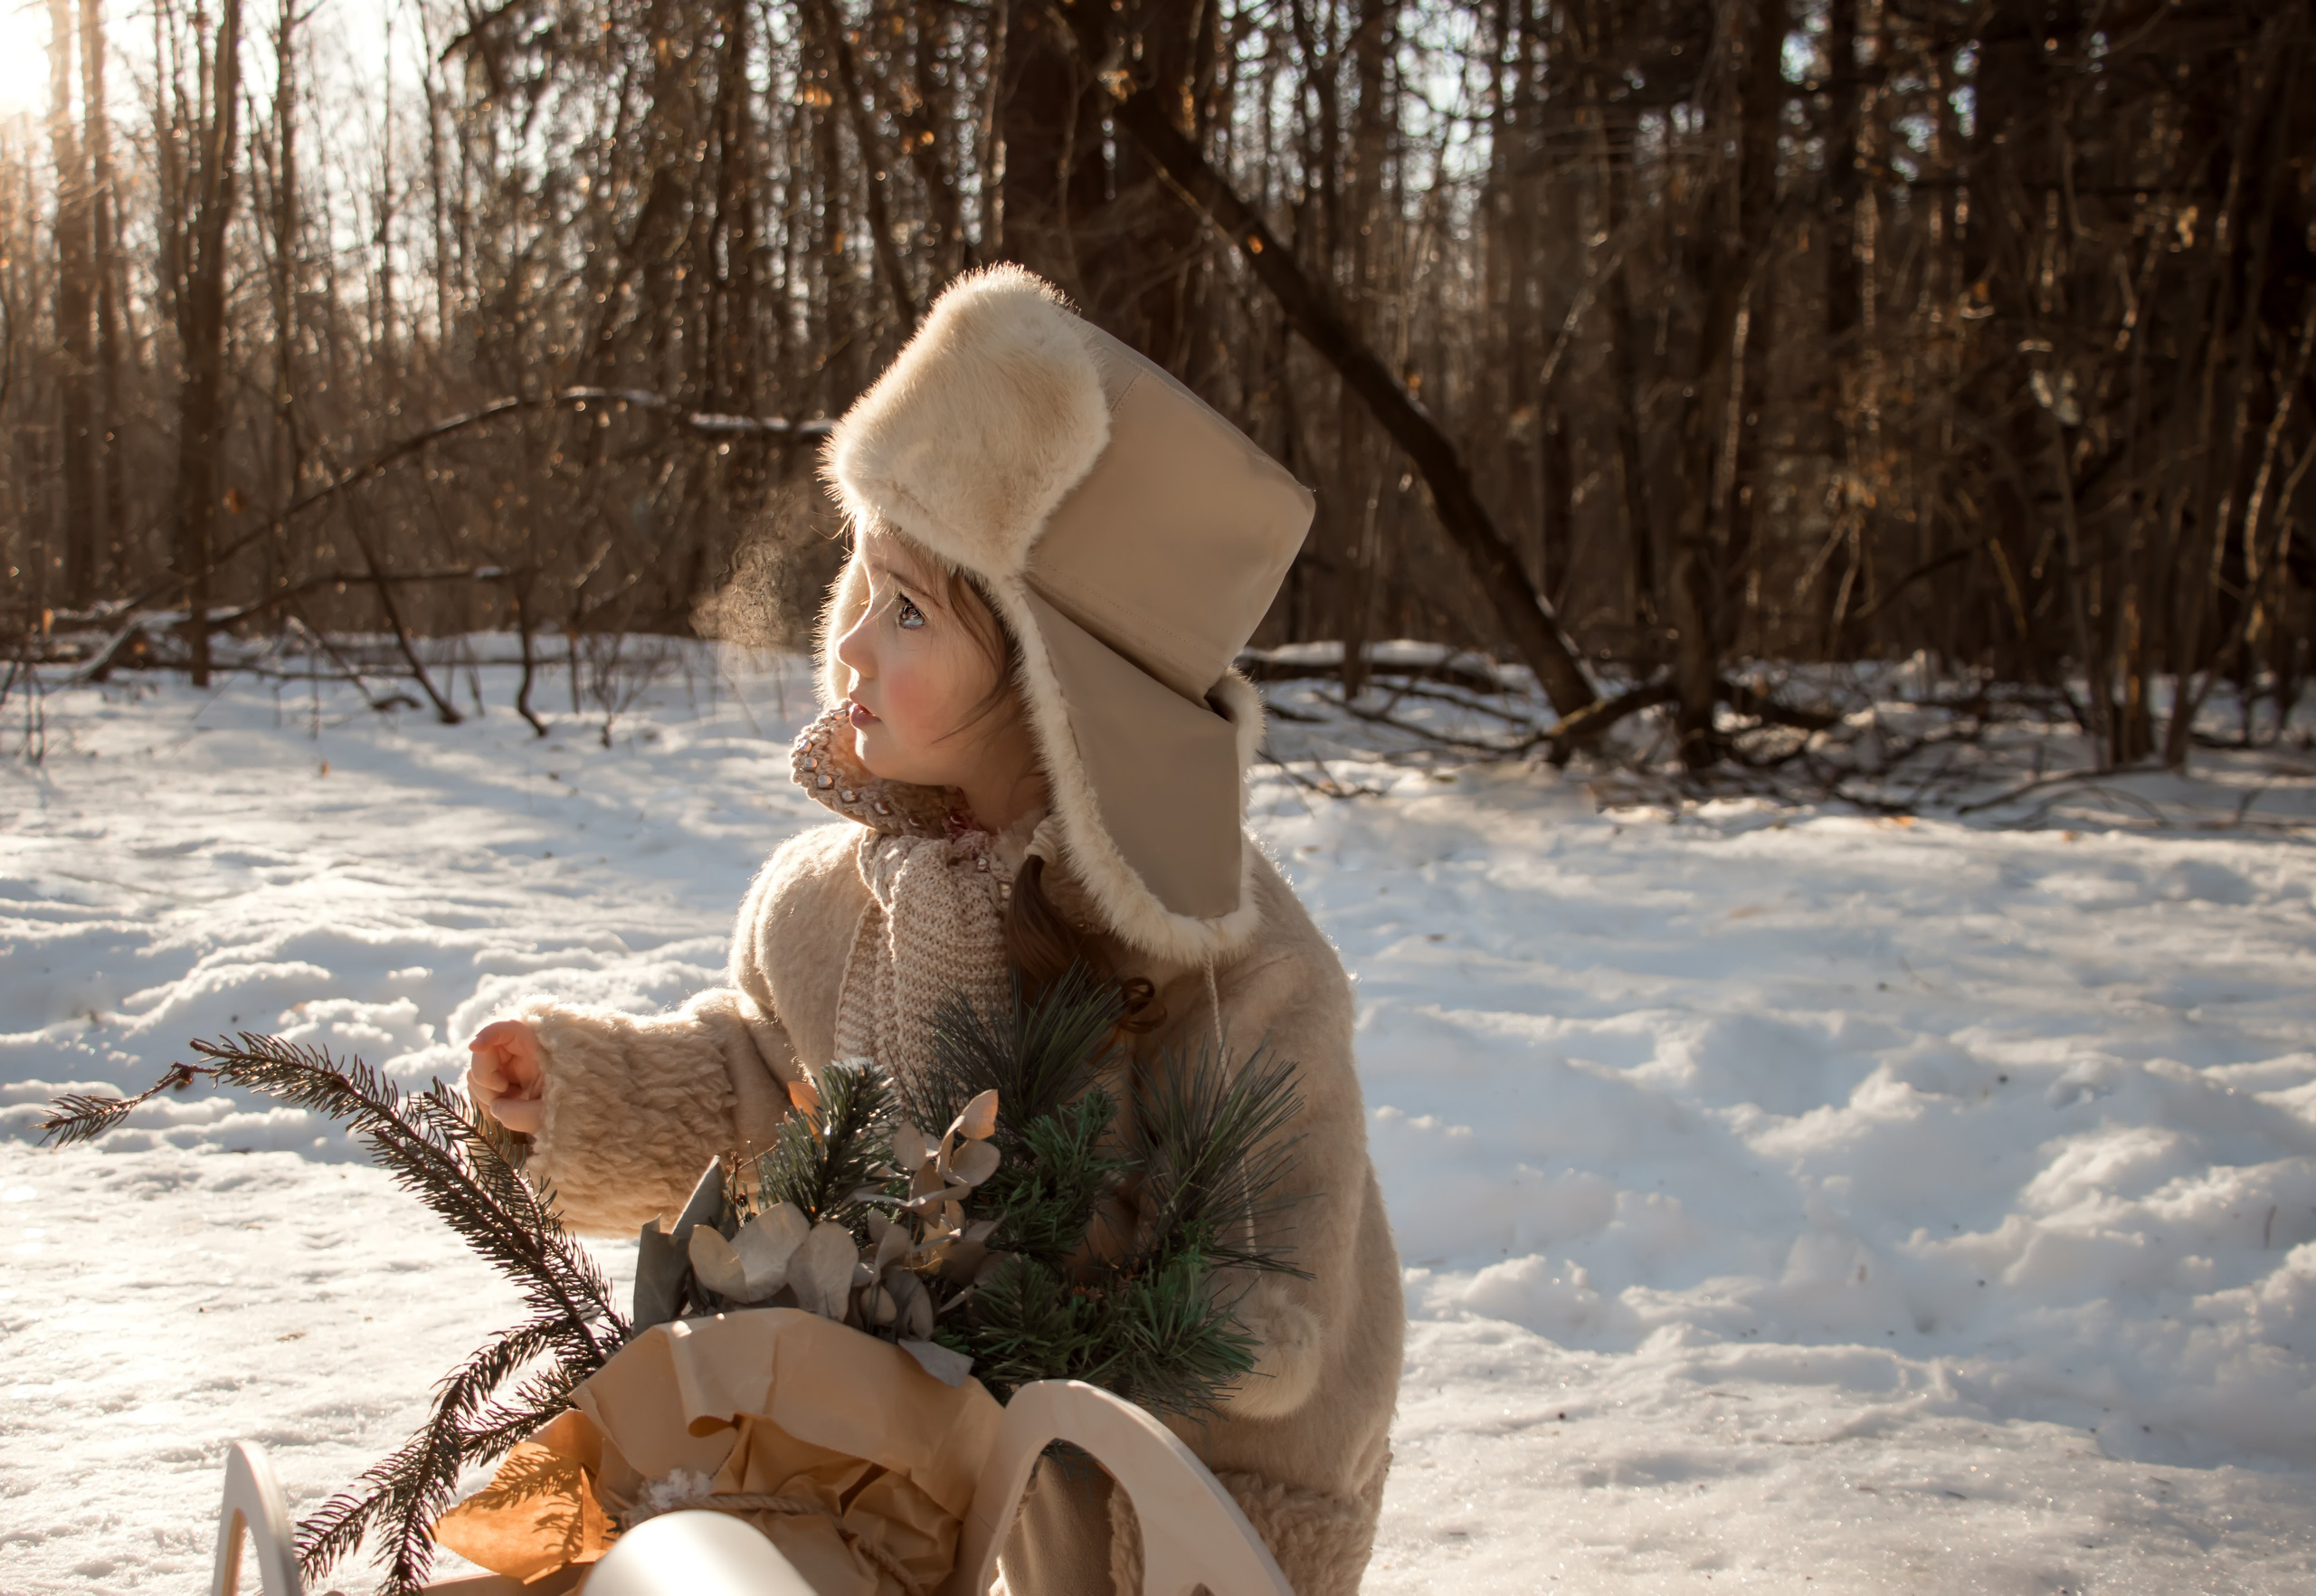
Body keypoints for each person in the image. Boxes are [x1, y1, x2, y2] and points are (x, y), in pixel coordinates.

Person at [465, 265, 1402, 1594]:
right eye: (861, 582)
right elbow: (764, 1094)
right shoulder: (829, 905)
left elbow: (1273, 1304)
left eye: (907, 610)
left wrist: (1078, 1329)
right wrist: (579, 1093)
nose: (847, 648)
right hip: (905, 1492)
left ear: (1053, 679)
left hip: (1157, 1514)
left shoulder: (1221, 967)